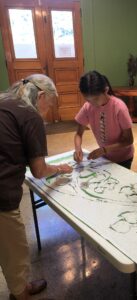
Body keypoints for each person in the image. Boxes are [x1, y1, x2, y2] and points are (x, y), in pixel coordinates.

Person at [0, 74, 73, 300]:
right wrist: (59, 168)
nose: (47, 112)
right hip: (2, 192)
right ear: (41, 96)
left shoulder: (3, 100)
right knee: (15, 250)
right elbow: (39, 170)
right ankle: (20, 294)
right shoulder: (30, 115)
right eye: (49, 106)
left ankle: (19, 285)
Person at [74, 70, 134, 169]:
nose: (92, 103)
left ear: (106, 90)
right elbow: (78, 134)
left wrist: (104, 150)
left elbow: (129, 140)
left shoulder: (119, 107)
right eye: (88, 100)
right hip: (105, 157)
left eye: (95, 99)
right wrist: (78, 149)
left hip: (123, 158)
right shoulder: (88, 107)